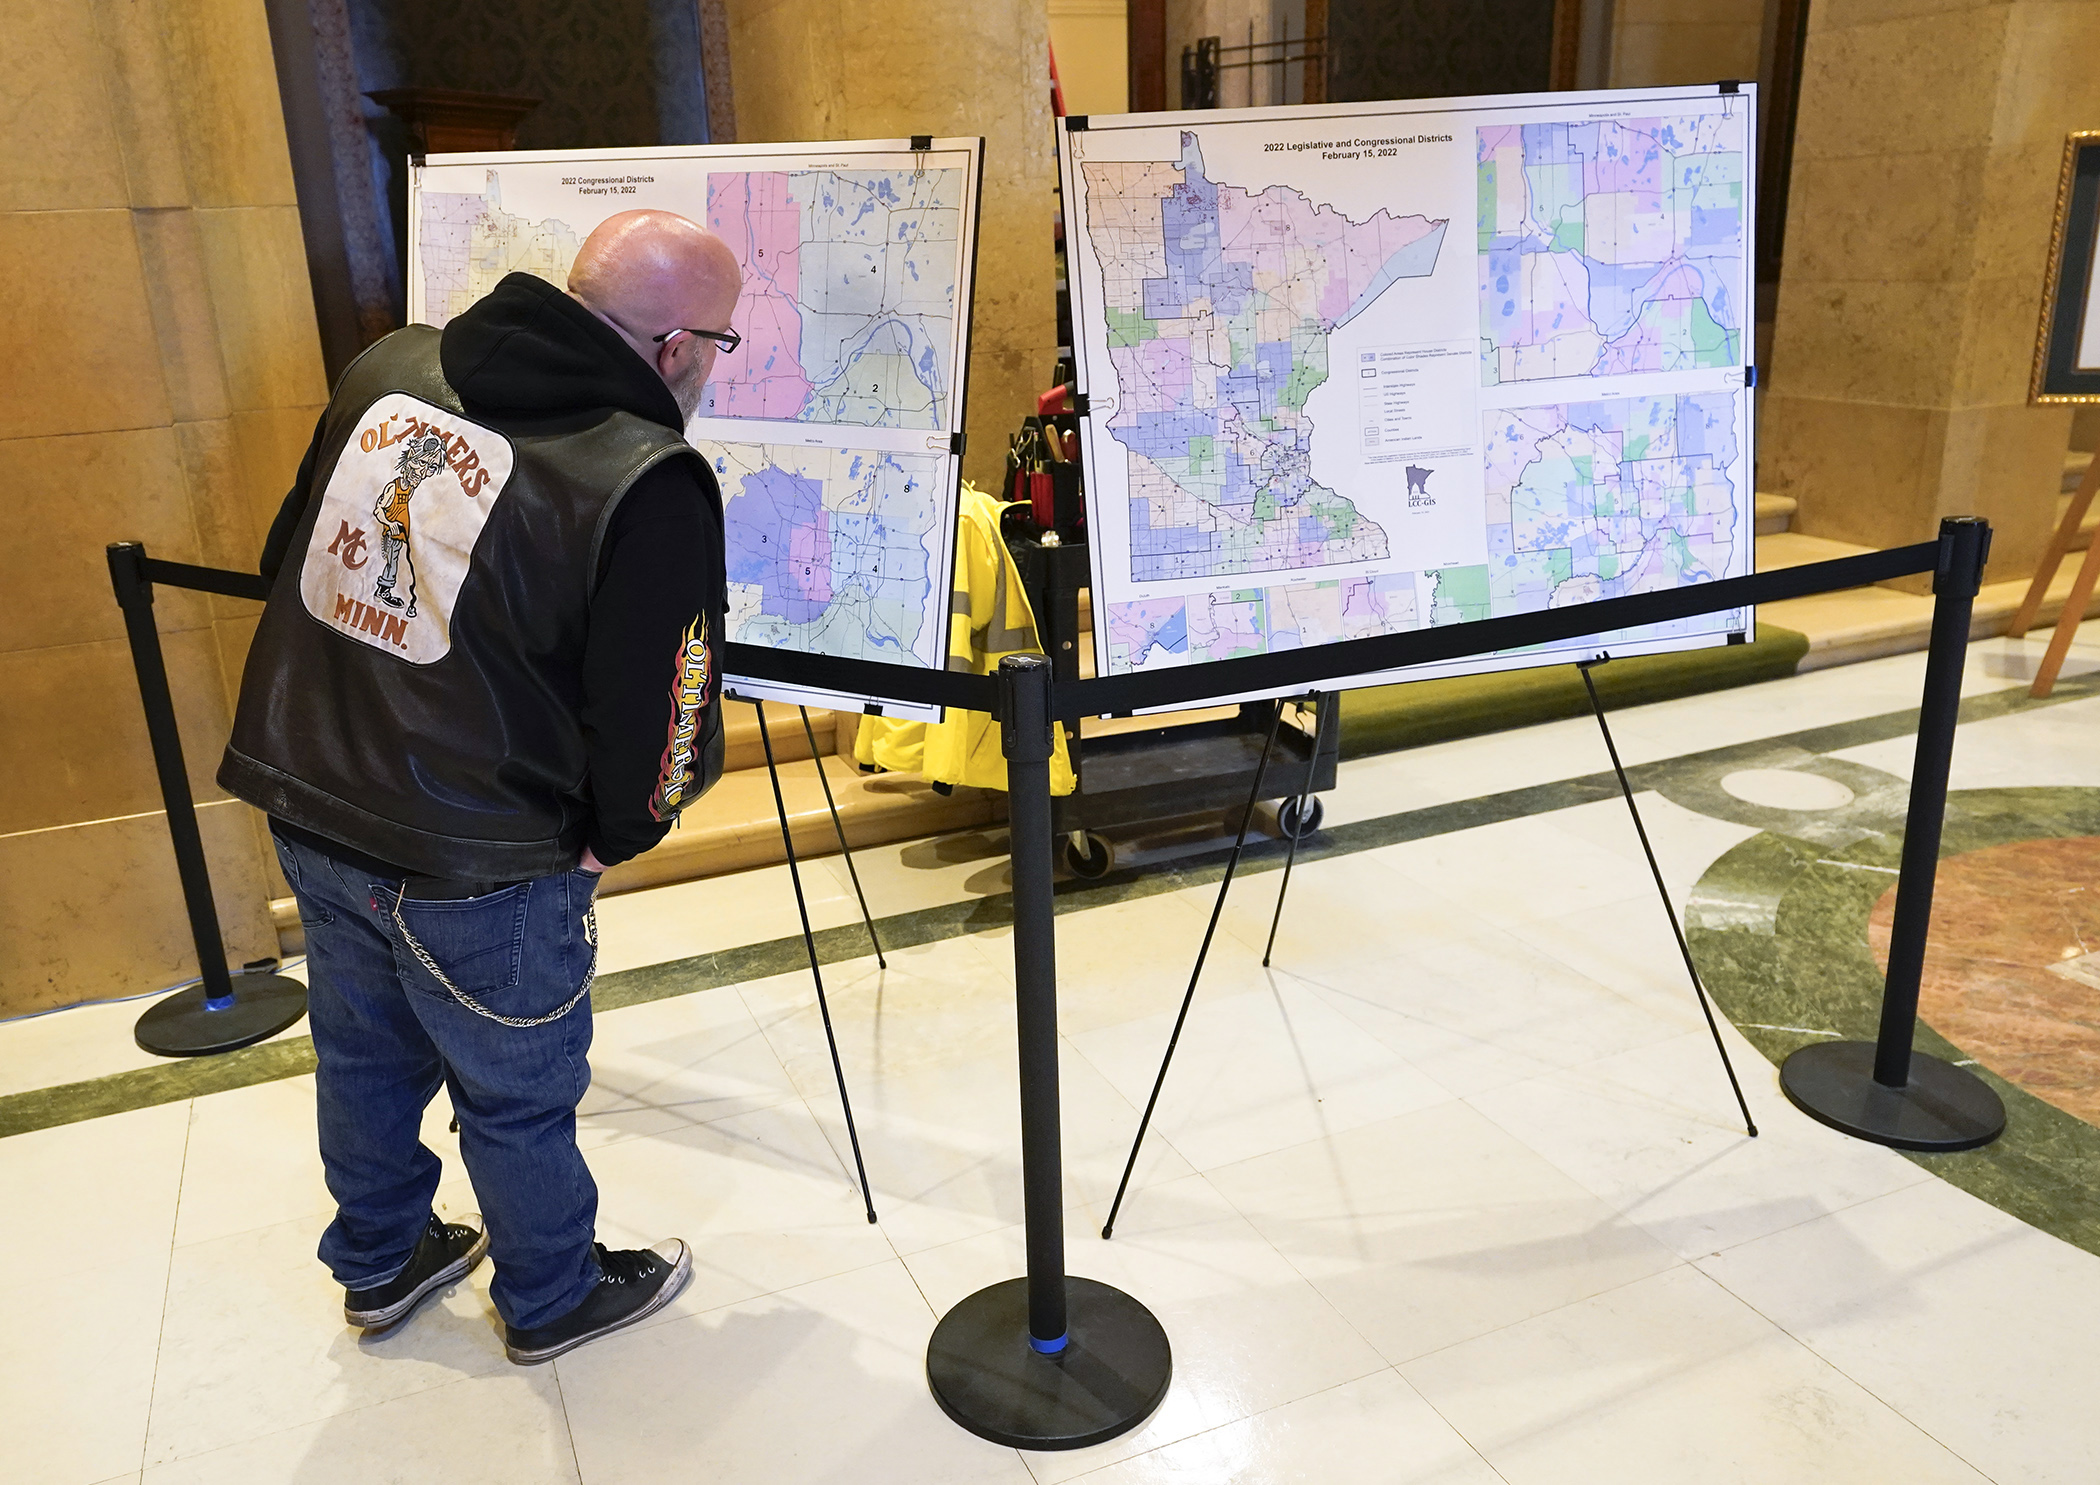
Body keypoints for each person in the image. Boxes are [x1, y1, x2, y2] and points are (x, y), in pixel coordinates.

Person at [220, 210, 743, 1364]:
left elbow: (285, 561)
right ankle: (552, 1295)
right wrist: (626, 833)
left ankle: (380, 1260)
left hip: (313, 794)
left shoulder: (387, 368)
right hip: (483, 852)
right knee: (516, 1089)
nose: (715, 363)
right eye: (721, 339)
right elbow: (668, 700)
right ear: (673, 348)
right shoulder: (645, 473)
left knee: (360, 1053)